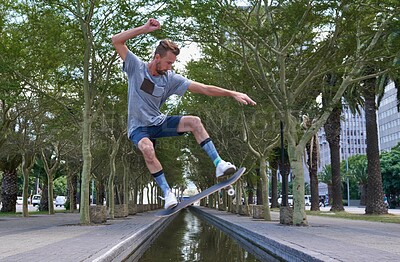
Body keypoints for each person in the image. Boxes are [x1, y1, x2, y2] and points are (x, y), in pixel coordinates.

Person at [112, 18, 256, 209]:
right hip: (138, 128)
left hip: (159, 122)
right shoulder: (135, 67)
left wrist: (232, 93)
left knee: (194, 122)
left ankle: (219, 163)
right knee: (147, 149)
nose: (171, 67)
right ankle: (167, 193)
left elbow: (204, 88)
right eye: (168, 62)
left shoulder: (171, 79)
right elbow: (116, 40)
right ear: (157, 58)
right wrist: (145, 29)